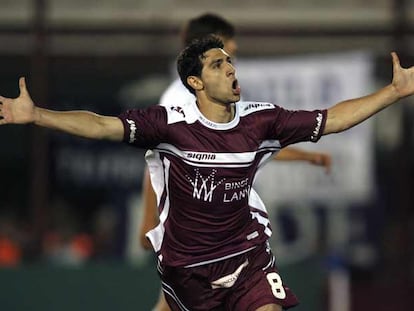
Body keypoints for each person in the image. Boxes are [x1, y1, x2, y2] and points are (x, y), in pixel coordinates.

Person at [1, 36, 412, 311]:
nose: (231, 69)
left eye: (230, 62)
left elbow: (333, 119)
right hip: (187, 266)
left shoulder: (262, 120)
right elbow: (99, 124)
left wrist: (392, 92)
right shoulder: (169, 123)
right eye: (218, 64)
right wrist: (37, 115)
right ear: (196, 81)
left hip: (246, 254)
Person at [140, 14, 331, 310]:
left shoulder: (221, 94)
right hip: (194, 232)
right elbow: (157, 162)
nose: (234, 48)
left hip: (220, 227)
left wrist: (305, 155)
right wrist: (150, 219)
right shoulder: (178, 100)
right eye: (226, 41)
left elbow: (247, 144)